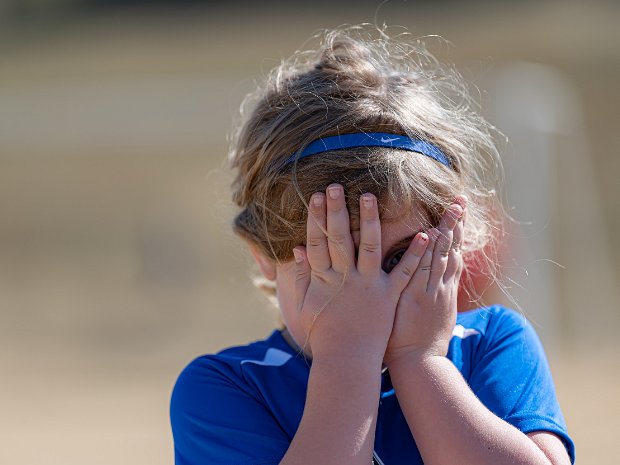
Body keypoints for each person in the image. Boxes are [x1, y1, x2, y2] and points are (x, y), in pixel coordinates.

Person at [170, 25, 575, 465]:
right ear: (266, 258)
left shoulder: (492, 343)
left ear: (451, 243)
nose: (374, 296)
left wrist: (422, 362)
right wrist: (347, 357)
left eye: (401, 258)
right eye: (337, 267)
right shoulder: (228, 388)